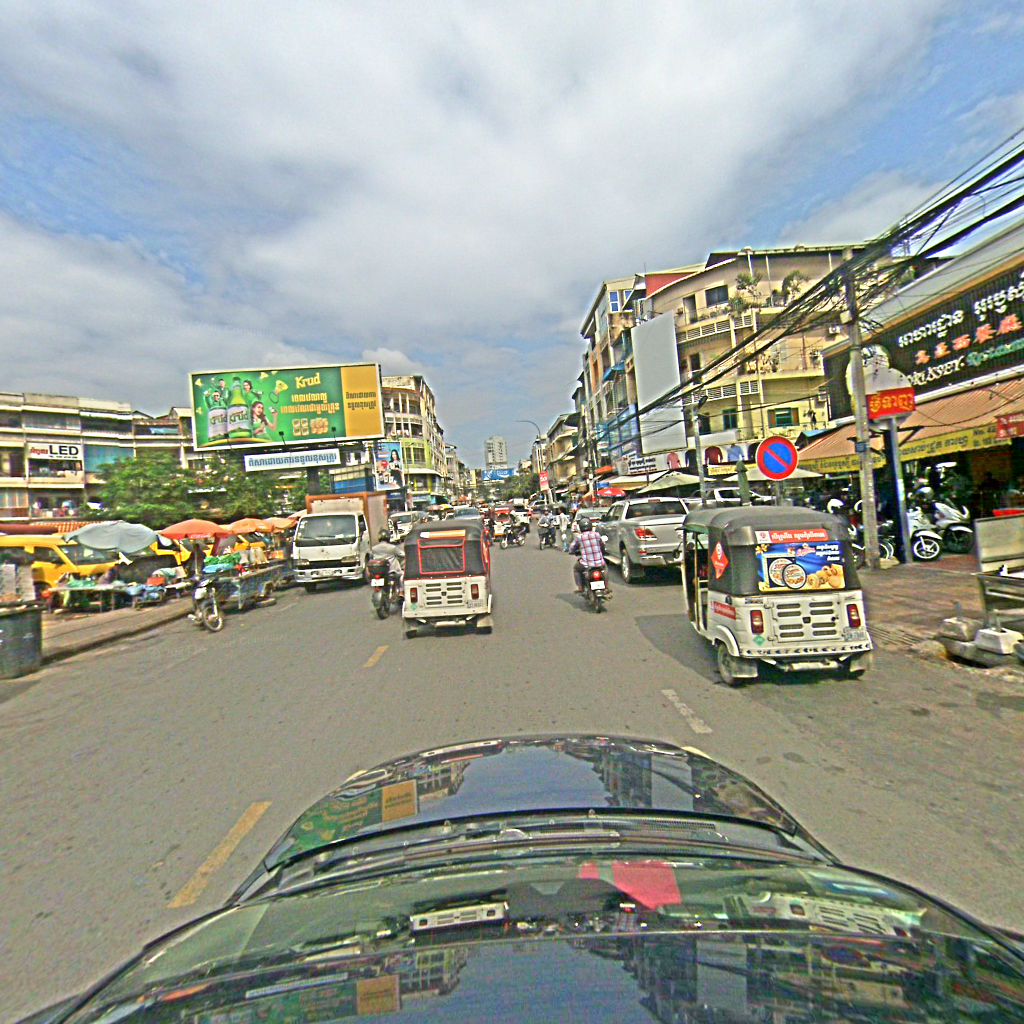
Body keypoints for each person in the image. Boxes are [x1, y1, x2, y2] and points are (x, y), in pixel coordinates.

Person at [569, 515, 608, 594]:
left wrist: (572, 551)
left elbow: (572, 548)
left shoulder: (579, 537)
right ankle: (606, 587)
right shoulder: (597, 534)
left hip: (586, 564)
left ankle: (580, 587)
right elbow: (602, 545)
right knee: (605, 569)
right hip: (599, 563)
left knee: (576, 569)